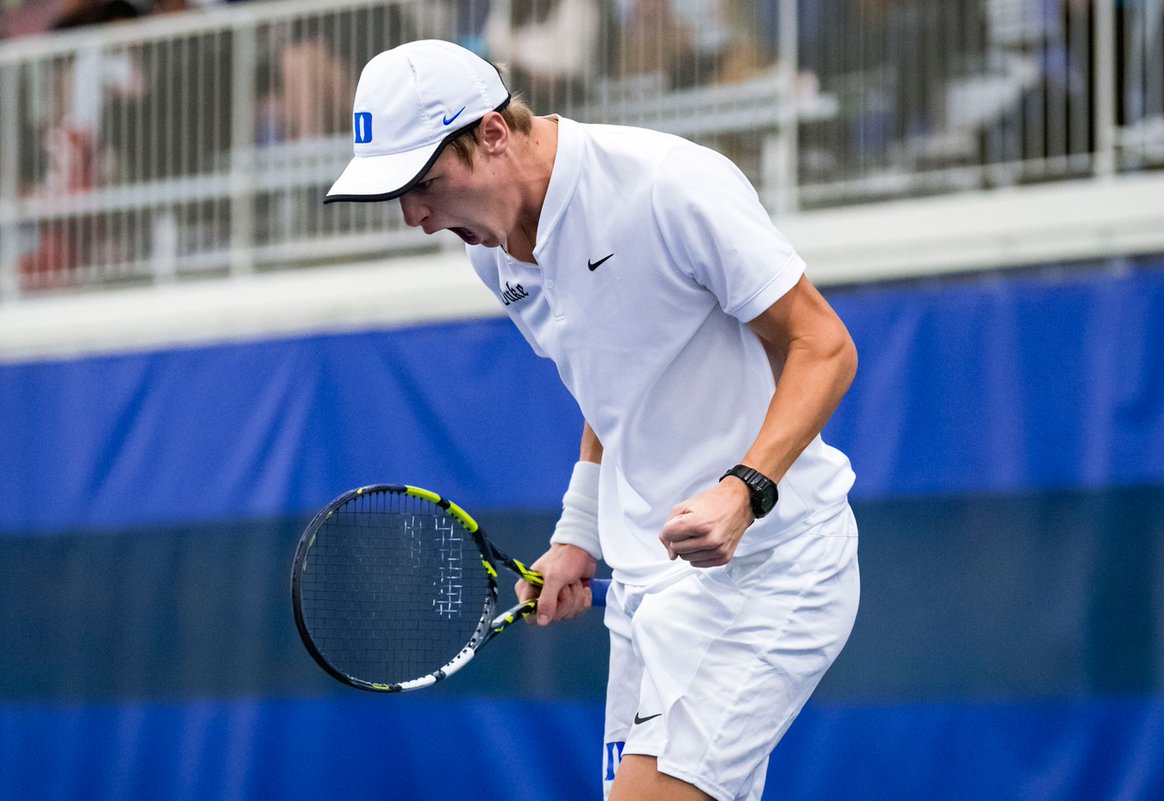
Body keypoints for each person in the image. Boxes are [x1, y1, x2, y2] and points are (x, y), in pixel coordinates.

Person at [324, 39, 860, 801]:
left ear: (493, 134)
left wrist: (744, 490)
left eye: (426, 182)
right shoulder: (494, 251)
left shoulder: (669, 186)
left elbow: (825, 346)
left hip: (776, 570)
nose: (416, 216)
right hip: (649, 589)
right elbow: (611, 389)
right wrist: (580, 532)